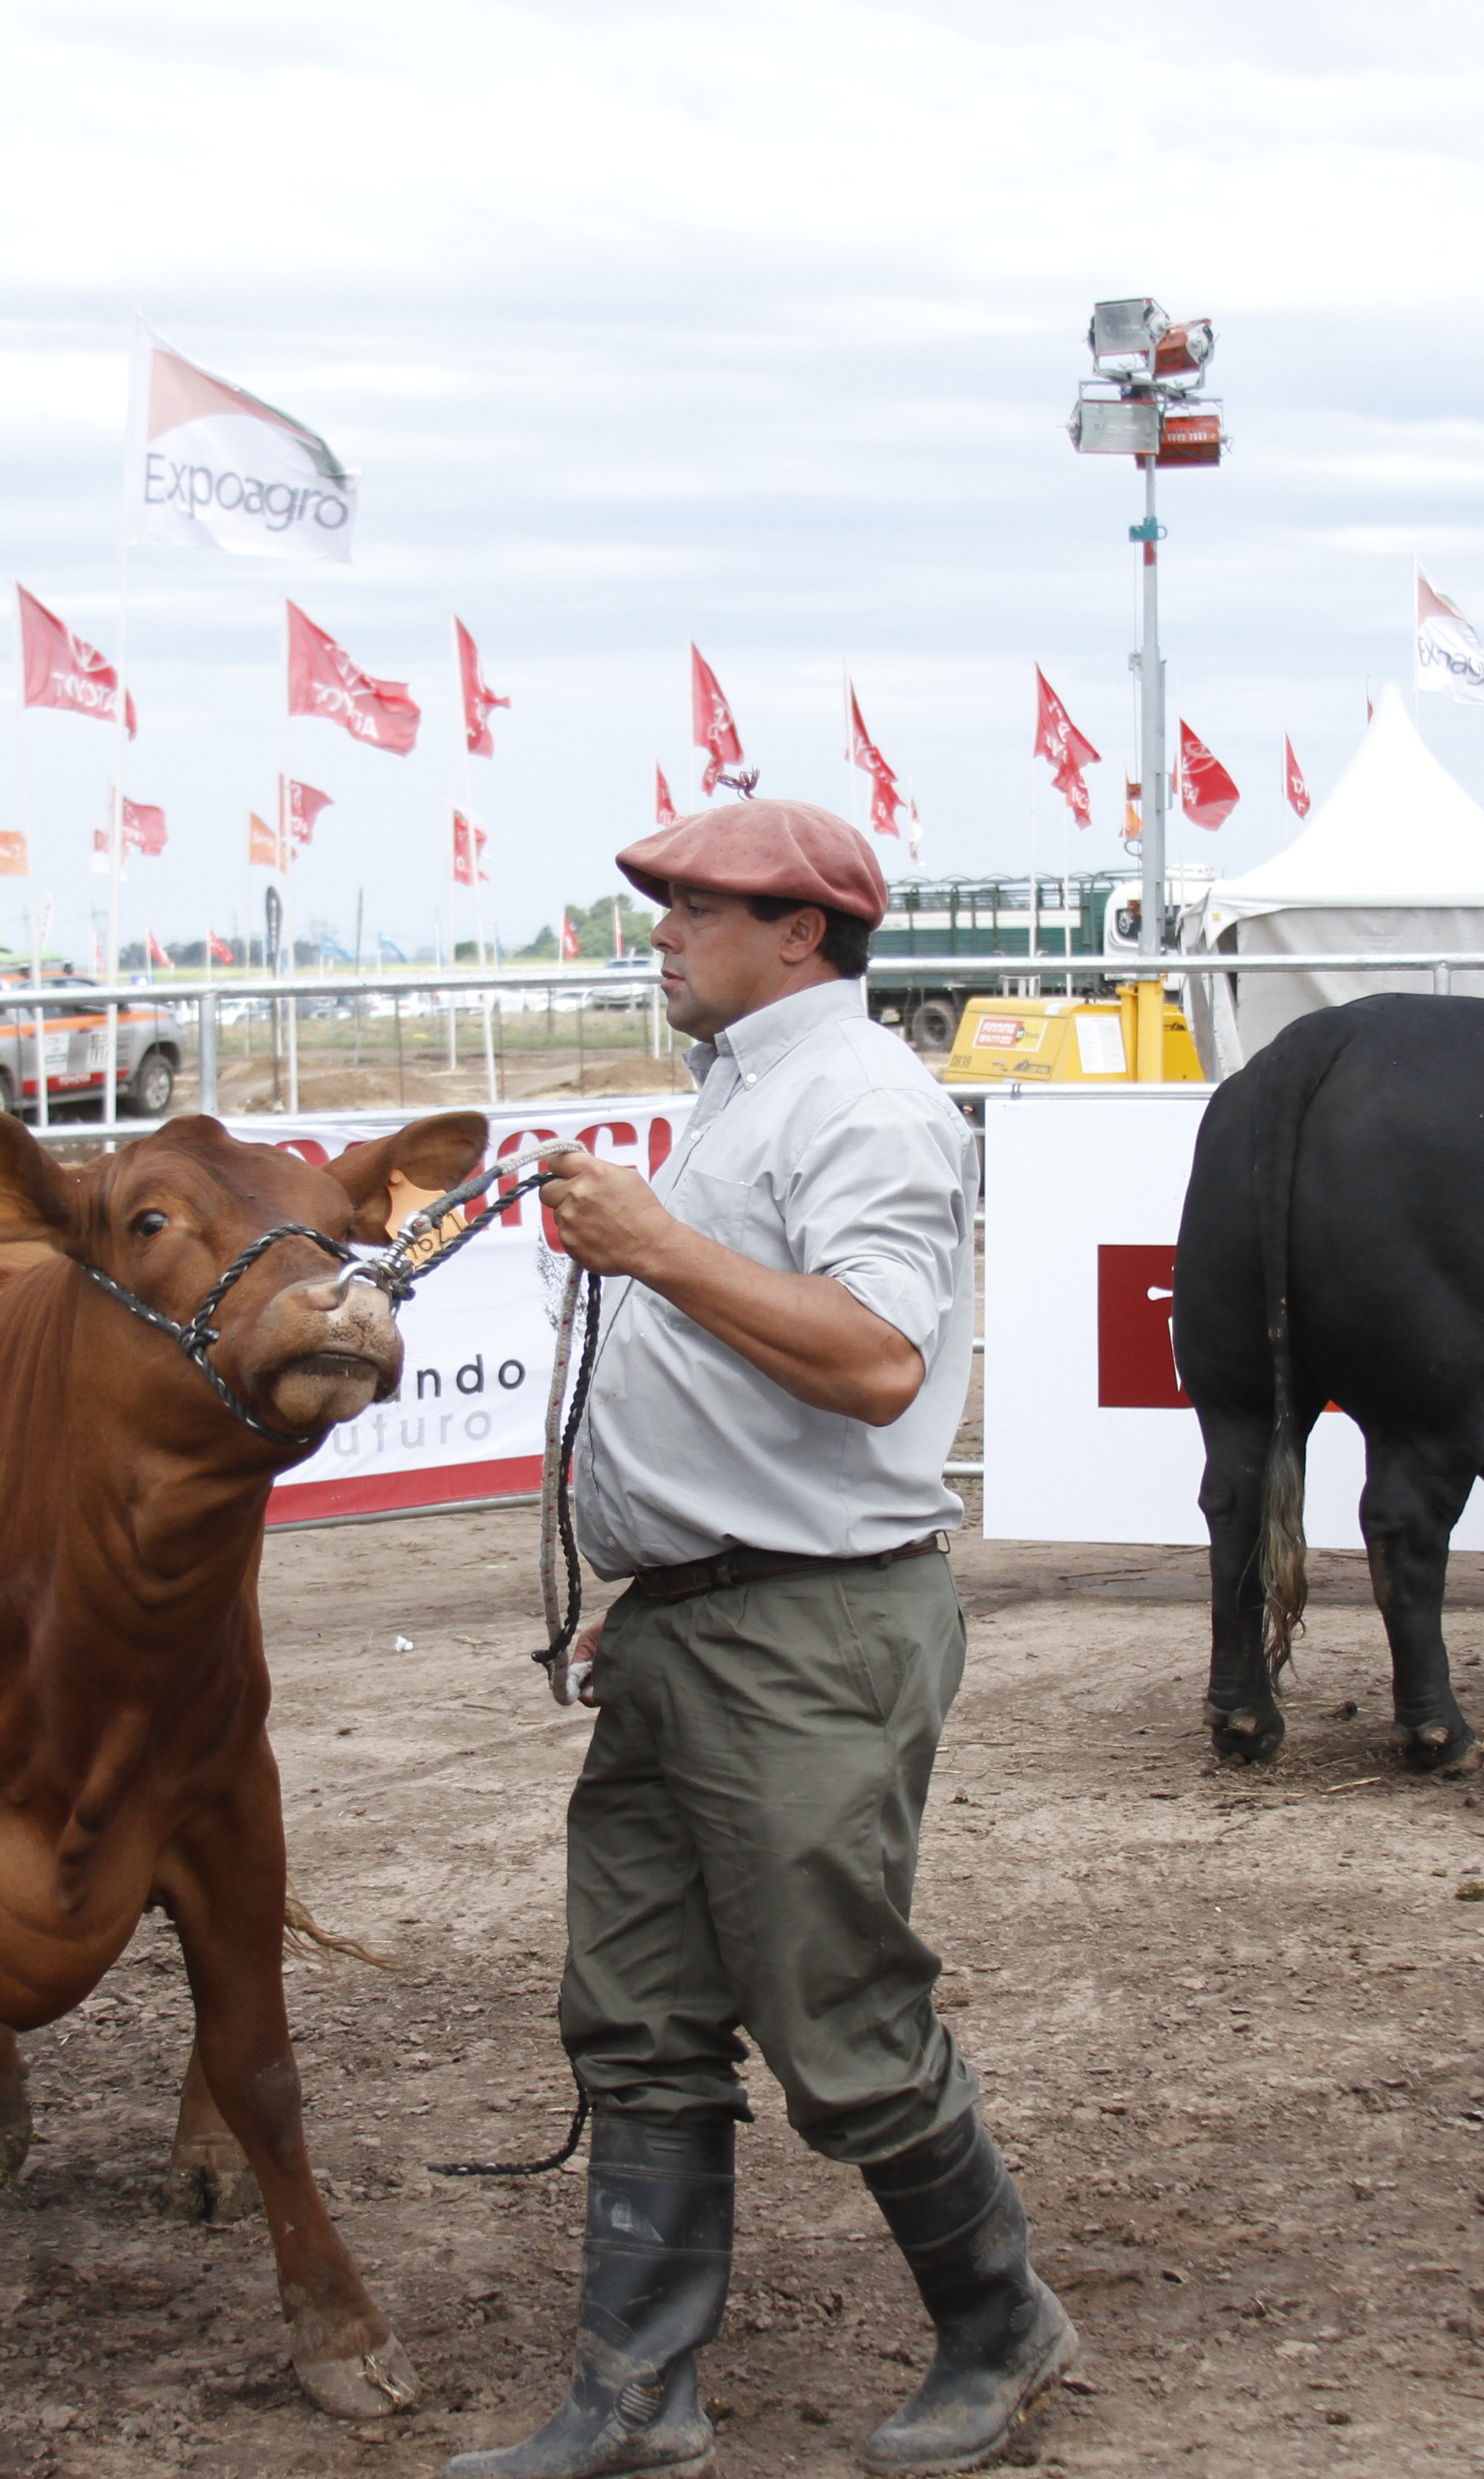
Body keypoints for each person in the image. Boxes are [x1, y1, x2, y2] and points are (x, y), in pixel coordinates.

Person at [450, 800, 1067, 2479]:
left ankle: (1002, 2320)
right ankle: (639, 2392)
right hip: (704, 1624)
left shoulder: (864, 1102)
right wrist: (650, 1595)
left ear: (801, 933)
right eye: (659, 899)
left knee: (834, 2010)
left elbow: (875, 1360)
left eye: (692, 903)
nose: (655, 925)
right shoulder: (752, 1095)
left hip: (802, 1628)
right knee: (639, 2004)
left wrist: (653, 1240)